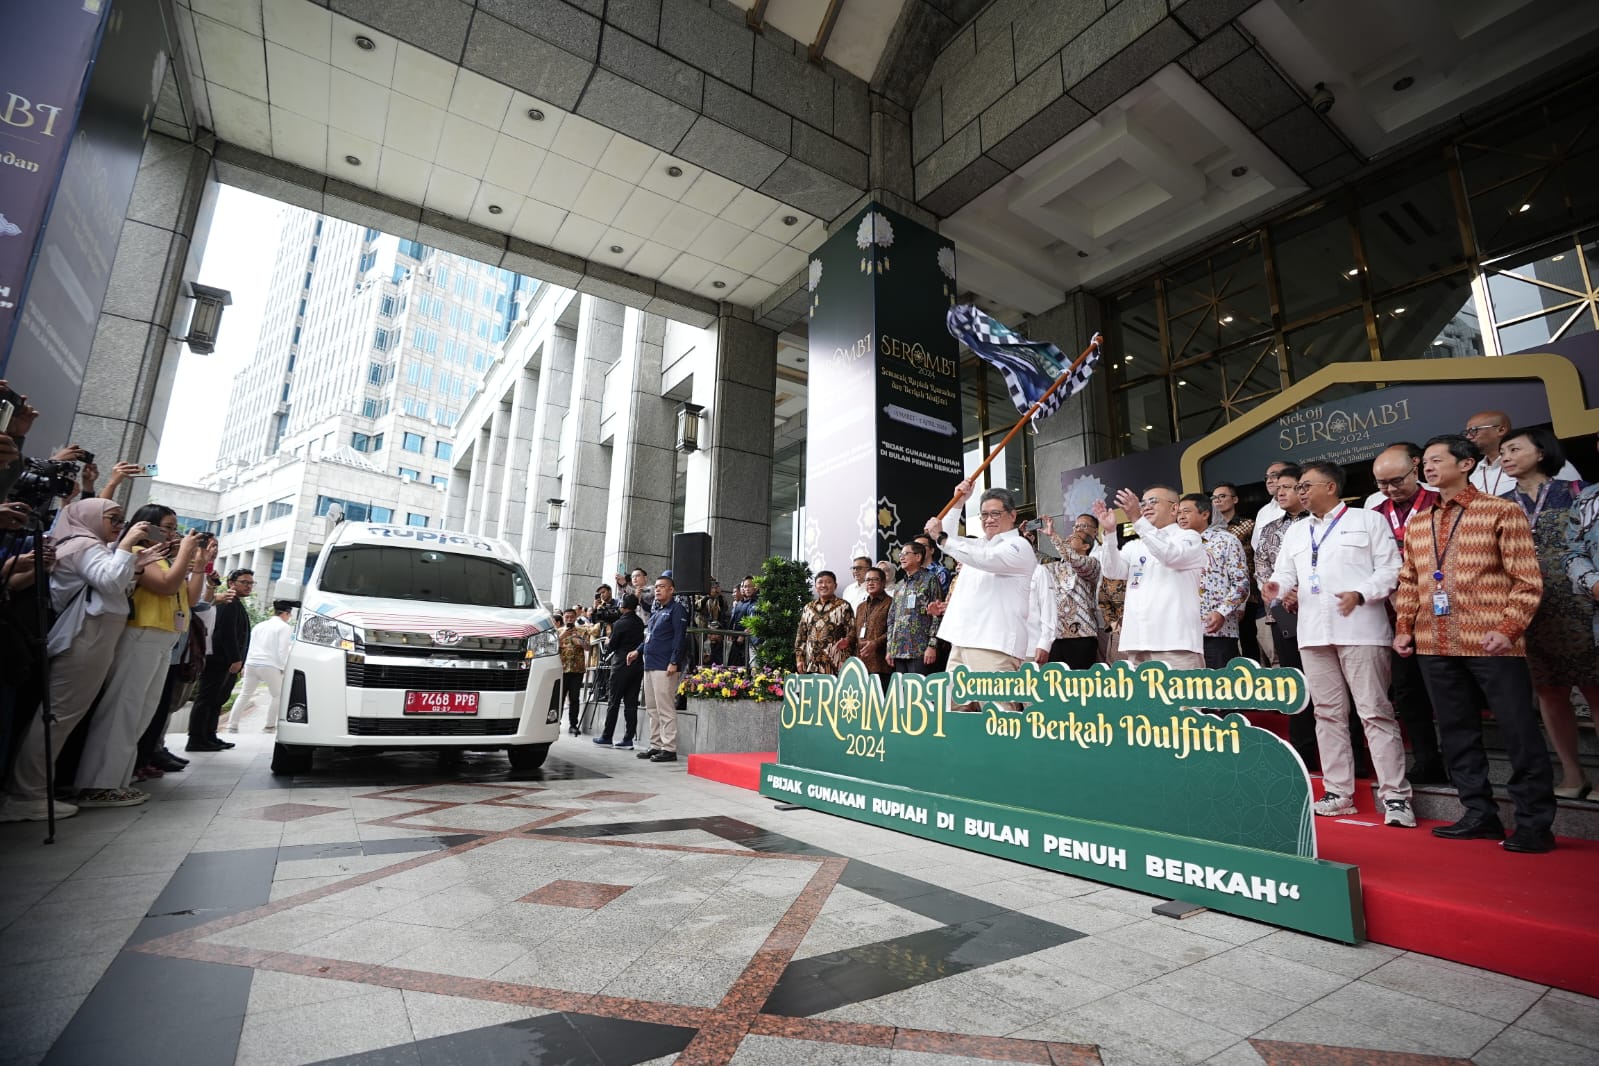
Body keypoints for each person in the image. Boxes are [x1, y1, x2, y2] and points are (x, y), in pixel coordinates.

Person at [1394, 434, 1555, 853]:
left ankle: (1534, 823)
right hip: (1433, 643)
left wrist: (1509, 628)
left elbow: (1527, 580)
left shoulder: (1502, 511)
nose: (1426, 468)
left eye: (1434, 461)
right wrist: (1404, 628)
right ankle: (1478, 814)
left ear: (1465, 464)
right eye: (1423, 463)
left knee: (1519, 731)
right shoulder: (1418, 522)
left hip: (1492, 642)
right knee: (1456, 732)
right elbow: (1410, 580)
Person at [1264, 461, 1413, 827]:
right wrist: (1277, 588)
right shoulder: (1297, 532)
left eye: (1305, 485)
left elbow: (1392, 569)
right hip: (1313, 632)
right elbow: (1285, 573)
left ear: (1330, 487)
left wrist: (1361, 593)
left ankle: (1395, 797)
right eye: (1297, 486)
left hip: (1360, 628)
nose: (1298, 492)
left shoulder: (1368, 520)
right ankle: (1337, 792)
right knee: (1326, 713)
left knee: (1375, 711)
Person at [0, 501, 155, 822]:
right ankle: (26, 793)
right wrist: (125, 546)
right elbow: (111, 582)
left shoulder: (92, 545)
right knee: (59, 715)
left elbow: (116, 586)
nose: (120, 524)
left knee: (62, 714)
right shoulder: (84, 544)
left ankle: (30, 789)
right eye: (113, 518)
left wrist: (134, 564)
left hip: (94, 635)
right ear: (88, 518)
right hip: (87, 635)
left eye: (122, 519)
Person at [77, 508, 201, 806]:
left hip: (163, 636)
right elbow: (166, 585)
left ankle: (118, 778)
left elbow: (191, 599)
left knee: (140, 712)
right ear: (149, 527)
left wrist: (198, 565)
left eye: (175, 528)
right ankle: (98, 784)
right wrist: (184, 553)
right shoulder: (136, 553)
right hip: (140, 633)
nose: (174, 533)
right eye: (168, 527)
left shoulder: (164, 556)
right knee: (123, 708)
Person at [1498, 426, 1595, 799]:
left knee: (1595, 689)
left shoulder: (1578, 493)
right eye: (1503, 451)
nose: (1505, 456)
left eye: (1514, 449)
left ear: (1541, 453)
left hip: (1580, 601)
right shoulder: (1502, 504)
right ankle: (1572, 774)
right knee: (1549, 693)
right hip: (1531, 609)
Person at [1369, 444, 1447, 784]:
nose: (1389, 489)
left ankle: (1459, 762)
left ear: (1415, 470)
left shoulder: (1438, 501)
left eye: (1396, 480)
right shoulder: (1373, 512)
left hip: (1438, 613)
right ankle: (1426, 759)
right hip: (1393, 617)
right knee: (1407, 693)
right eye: (1382, 483)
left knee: (1446, 692)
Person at [922, 483, 1036, 693]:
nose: (989, 519)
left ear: (1012, 515)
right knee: (955, 714)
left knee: (998, 716)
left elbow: (981, 557)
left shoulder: (1019, 546)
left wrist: (940, 537)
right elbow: (951, 541)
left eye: (995, 513)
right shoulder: (979, 545)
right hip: (962, 641)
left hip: (994, 644)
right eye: (984, 515)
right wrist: (958, 502)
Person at [1091, 485, 1207, 668]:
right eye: (1143, 503)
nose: (1146, 507)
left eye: (1153, 501)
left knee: (1181, 697)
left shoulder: (1189, 538)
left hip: (1175, 642)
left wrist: (1136, 519)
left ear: (1174, 508)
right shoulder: (1135, 546)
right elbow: (1111, 571)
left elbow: (1170, 556)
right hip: (1138, 642)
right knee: (1142, 697)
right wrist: (1110, 534)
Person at [1254, 465, 1317, 768]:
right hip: (1283, 613)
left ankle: (1350, 754)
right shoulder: (1268, 529)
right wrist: (1281, 596)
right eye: (1277, 488)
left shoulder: (1318, 522)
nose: (1280, 492)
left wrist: (1301, 593)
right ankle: (1304, 751)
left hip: (1318, 609)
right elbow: (1263, 569)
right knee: (1296, 681)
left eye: (1288, 487)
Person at [1176, 494, 1249, 670]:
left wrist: (1222, 612)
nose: (1181, 517)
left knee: (1221, 689)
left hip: (1217, 630)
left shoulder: (1226, 540)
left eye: (1187, 511)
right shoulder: (1175, 546)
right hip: (1182, 634)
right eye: (1178, 513)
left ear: (1205, 514)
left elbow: (1241, 584)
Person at [187, 567, 254, 752]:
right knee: (207, 698)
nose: (249, 586)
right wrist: (235, 658)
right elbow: (226, 633)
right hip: (219, 659)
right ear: (232, 583)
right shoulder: (227, 602)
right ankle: (196, 738)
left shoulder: (235, 603)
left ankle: (209, 735)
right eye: (245, 582)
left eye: (251, 583)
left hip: (227, 660)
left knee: (217, 699)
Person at [635, 575, 690, 763]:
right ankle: (655, 745)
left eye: (662, 587)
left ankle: (669, 748)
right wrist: (637, 651)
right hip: (649, 664)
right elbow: (649, 636)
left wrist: (674, 661)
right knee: (652, 708)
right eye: (656, 587)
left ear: (671, 590)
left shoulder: (677, 610)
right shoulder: (657, 611)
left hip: (664, 665)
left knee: (665, 708)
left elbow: (679, 638)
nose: (657, 590)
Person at [1464, 410, 1579, 497]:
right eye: (1467, 432)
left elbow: (1577, 498)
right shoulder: (1474, 474)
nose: (1468, 437)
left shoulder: (1546, 461)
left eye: (1474, 431)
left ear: (1500, 430)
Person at [1041, 515, 1100, 669]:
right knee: (1054, 684)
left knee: (1080, 686)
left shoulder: (1091, 564)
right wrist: (1026, 541)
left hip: (1082, 635)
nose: (1068, 539)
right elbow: (1034, 562)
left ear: (1086, 546)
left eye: (1074, 537)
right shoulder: (1056, 566)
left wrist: (1053, 536)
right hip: (1056, 635)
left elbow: (1074, 559)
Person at [227, 600, 293, 734]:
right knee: (277, 695)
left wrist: (246, 664)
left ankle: (232, 725)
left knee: (244, 694)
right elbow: (283, 650)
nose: (289, 617)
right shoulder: (284, 627)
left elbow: (250, 646)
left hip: (252, 663)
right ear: (286, 613)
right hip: (270, 665)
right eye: (289, 615)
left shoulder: (260, 625)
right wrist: (284, 668)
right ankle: (269, 726)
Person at [594, 593, 644, 749]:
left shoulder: (619, 623)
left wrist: (608, 640)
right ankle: (628, 738)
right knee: (631, 703)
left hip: (621, 663)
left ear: (622, 606)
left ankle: (607, 736)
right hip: (637, 664)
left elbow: (612, 646)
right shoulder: (640, 622)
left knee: (614, 701)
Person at [886, 541, 942, 674]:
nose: (901, 557)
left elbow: (938, 614)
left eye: (906, 553)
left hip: (920, 650)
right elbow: (891, 618)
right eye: (900, 554)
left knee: (919, 692)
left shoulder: (930, 579)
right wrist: (889, 648)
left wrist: (932, 646)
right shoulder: (899, 585)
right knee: (902, 692)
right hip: (898, 651)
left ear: (918, 557)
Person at [794, 571, 854, 674]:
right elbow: (801, 635)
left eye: (828, 582)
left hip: (835, 664)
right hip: (810, 664)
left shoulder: (844, 606)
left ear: (835, 585)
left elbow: (851, 634)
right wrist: (799, 659)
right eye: (820, 582)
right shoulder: (808, 608)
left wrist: (845, 659)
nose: (824, 585)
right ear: (816, 586)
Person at [852, 567, 893, 683]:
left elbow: (894, 630)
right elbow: (855, 629)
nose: (870, 583)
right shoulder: (861, 606)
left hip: (881, 663)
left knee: (879, 699)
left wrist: (876, 643)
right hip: (861, 663)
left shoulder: (891, 603)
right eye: (868, 580)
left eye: (875, 579)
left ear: (883, 582)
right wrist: (847, 640)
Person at [557, 607, 589, 735]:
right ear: (563, 618)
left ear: (575, 618)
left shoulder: (582, 630)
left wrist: (579, 639)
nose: (569, 619)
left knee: (574, 698)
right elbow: (551, 646)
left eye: (571, 617)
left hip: (577, 669)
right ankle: (555, 723)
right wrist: (562, 636)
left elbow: (588, 647)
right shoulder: (558, 631)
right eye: (567, 617)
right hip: (562, 669)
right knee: (559, 698)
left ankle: (573, 725)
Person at [727, 575, 758, 667]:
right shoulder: (739, 603)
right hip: (735, 641)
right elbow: (733, 619)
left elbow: (753, 621)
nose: (747, 589)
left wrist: (743, 635)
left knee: (751, 667)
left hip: (749, 640)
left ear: (755, 587)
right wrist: (730, 633)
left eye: (749, 586)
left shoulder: (756, 603)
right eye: (745, 586)